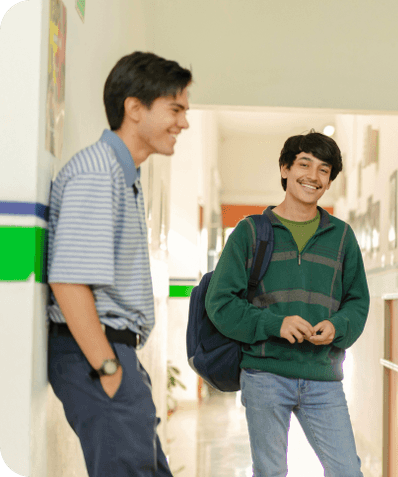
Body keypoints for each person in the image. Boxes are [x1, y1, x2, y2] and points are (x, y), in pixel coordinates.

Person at [47, 51, 191, 476]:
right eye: (176, 109)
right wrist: (107, 367)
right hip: (95, 355)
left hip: (113, 354)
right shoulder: (98, 172)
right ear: (134, 108)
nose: (183, 122)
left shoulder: (122, 173)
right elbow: (69, 282)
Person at [205, 132, 369, 477]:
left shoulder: (341, 236)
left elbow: (357, 301)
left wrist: (338, 326)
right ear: (285, 169)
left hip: (323, 376)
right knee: (270, 472)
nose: (313, 176)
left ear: (329, 181)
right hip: (265, 374)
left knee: (347, 471)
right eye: (304, 164)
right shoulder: (250, 232)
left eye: (324, 170)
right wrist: (274, 324)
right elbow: (220, 303)